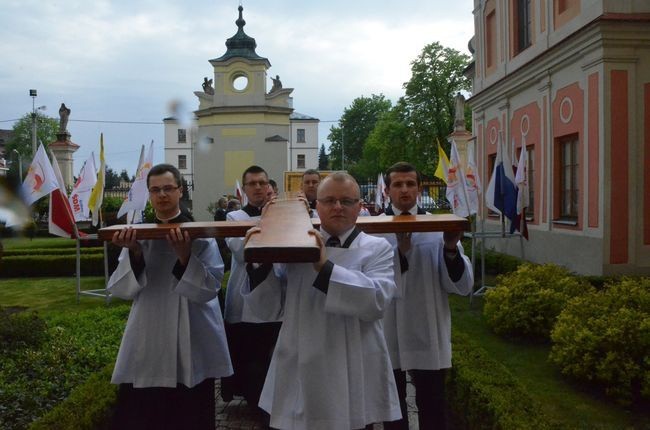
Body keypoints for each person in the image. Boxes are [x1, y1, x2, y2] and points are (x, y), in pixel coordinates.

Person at [242, 172, 401, 429]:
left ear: (360, 207)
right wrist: (260, 264)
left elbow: (377, 301)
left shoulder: (377, 248)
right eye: (329, 200)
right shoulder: (295, 245)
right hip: (302, 360)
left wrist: (325, 267)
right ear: (318, 205)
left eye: (346, 201)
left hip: (354, 364)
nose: (337, 207)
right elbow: (268, 306)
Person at [107, 163, 232, 430]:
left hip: (192, 328)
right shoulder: (138, 235)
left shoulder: (199, 234)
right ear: (150, 195)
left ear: (180, 191)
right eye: (155, 190)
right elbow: (121, 289)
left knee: (190, 411)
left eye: (167, 188)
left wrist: (185, 256)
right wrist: (135, 253)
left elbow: (210, 288)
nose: (162, 195)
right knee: (147, 412)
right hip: (149, 330)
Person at [380, 162, 473, 430]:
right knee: (392, 406)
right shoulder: (373, 230)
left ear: (419, 189)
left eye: (410, 183)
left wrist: (450, 247)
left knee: (432, 403)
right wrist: (401, 251)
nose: (405, 190)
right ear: (387, 191)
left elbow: (459, 283)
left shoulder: (437, 228)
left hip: (426, 325)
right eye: (398, 184)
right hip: (388, 327)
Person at [221, 165, 281, 419]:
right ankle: (256, 405)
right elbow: (243, 252)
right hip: (247, 298)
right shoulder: (235, 218)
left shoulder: (282, 215)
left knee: (274, 357)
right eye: (252, 183)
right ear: (244, 189)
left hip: (279, 296)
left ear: (269, 186)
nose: (258, 187)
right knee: (252, 358)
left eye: (262, 183)